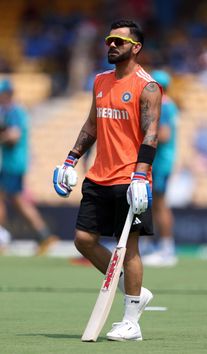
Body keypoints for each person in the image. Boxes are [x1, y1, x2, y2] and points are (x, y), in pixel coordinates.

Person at [53, 19, 162, 341]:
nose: (111, 46)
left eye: (119, 41)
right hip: (98, 175)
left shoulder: (149, 86)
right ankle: (137, 291)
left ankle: (131, 321)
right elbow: (92, 125)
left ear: (136, 48)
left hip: (130, 178)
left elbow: (152, 134)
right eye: (109, 41)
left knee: (128, 248)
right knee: (83, 240)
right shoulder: (100, 81)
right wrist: (70, 158)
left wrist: (141, 175)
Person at [0, 79, 58, 255]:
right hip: (14, 163)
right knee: (18, 202)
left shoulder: (14, 112)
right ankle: (44, 235)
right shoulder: (11, 111)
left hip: (13, 164)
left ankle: (2, 238)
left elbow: (14, 136)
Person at [142, 70, 179, 267]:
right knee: (153, 204)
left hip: (160, 161)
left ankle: (166, 249)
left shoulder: (163, 105)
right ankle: (156, 246)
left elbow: (163, 135)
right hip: (163, 161)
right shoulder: (170, 104)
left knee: (159, 204)